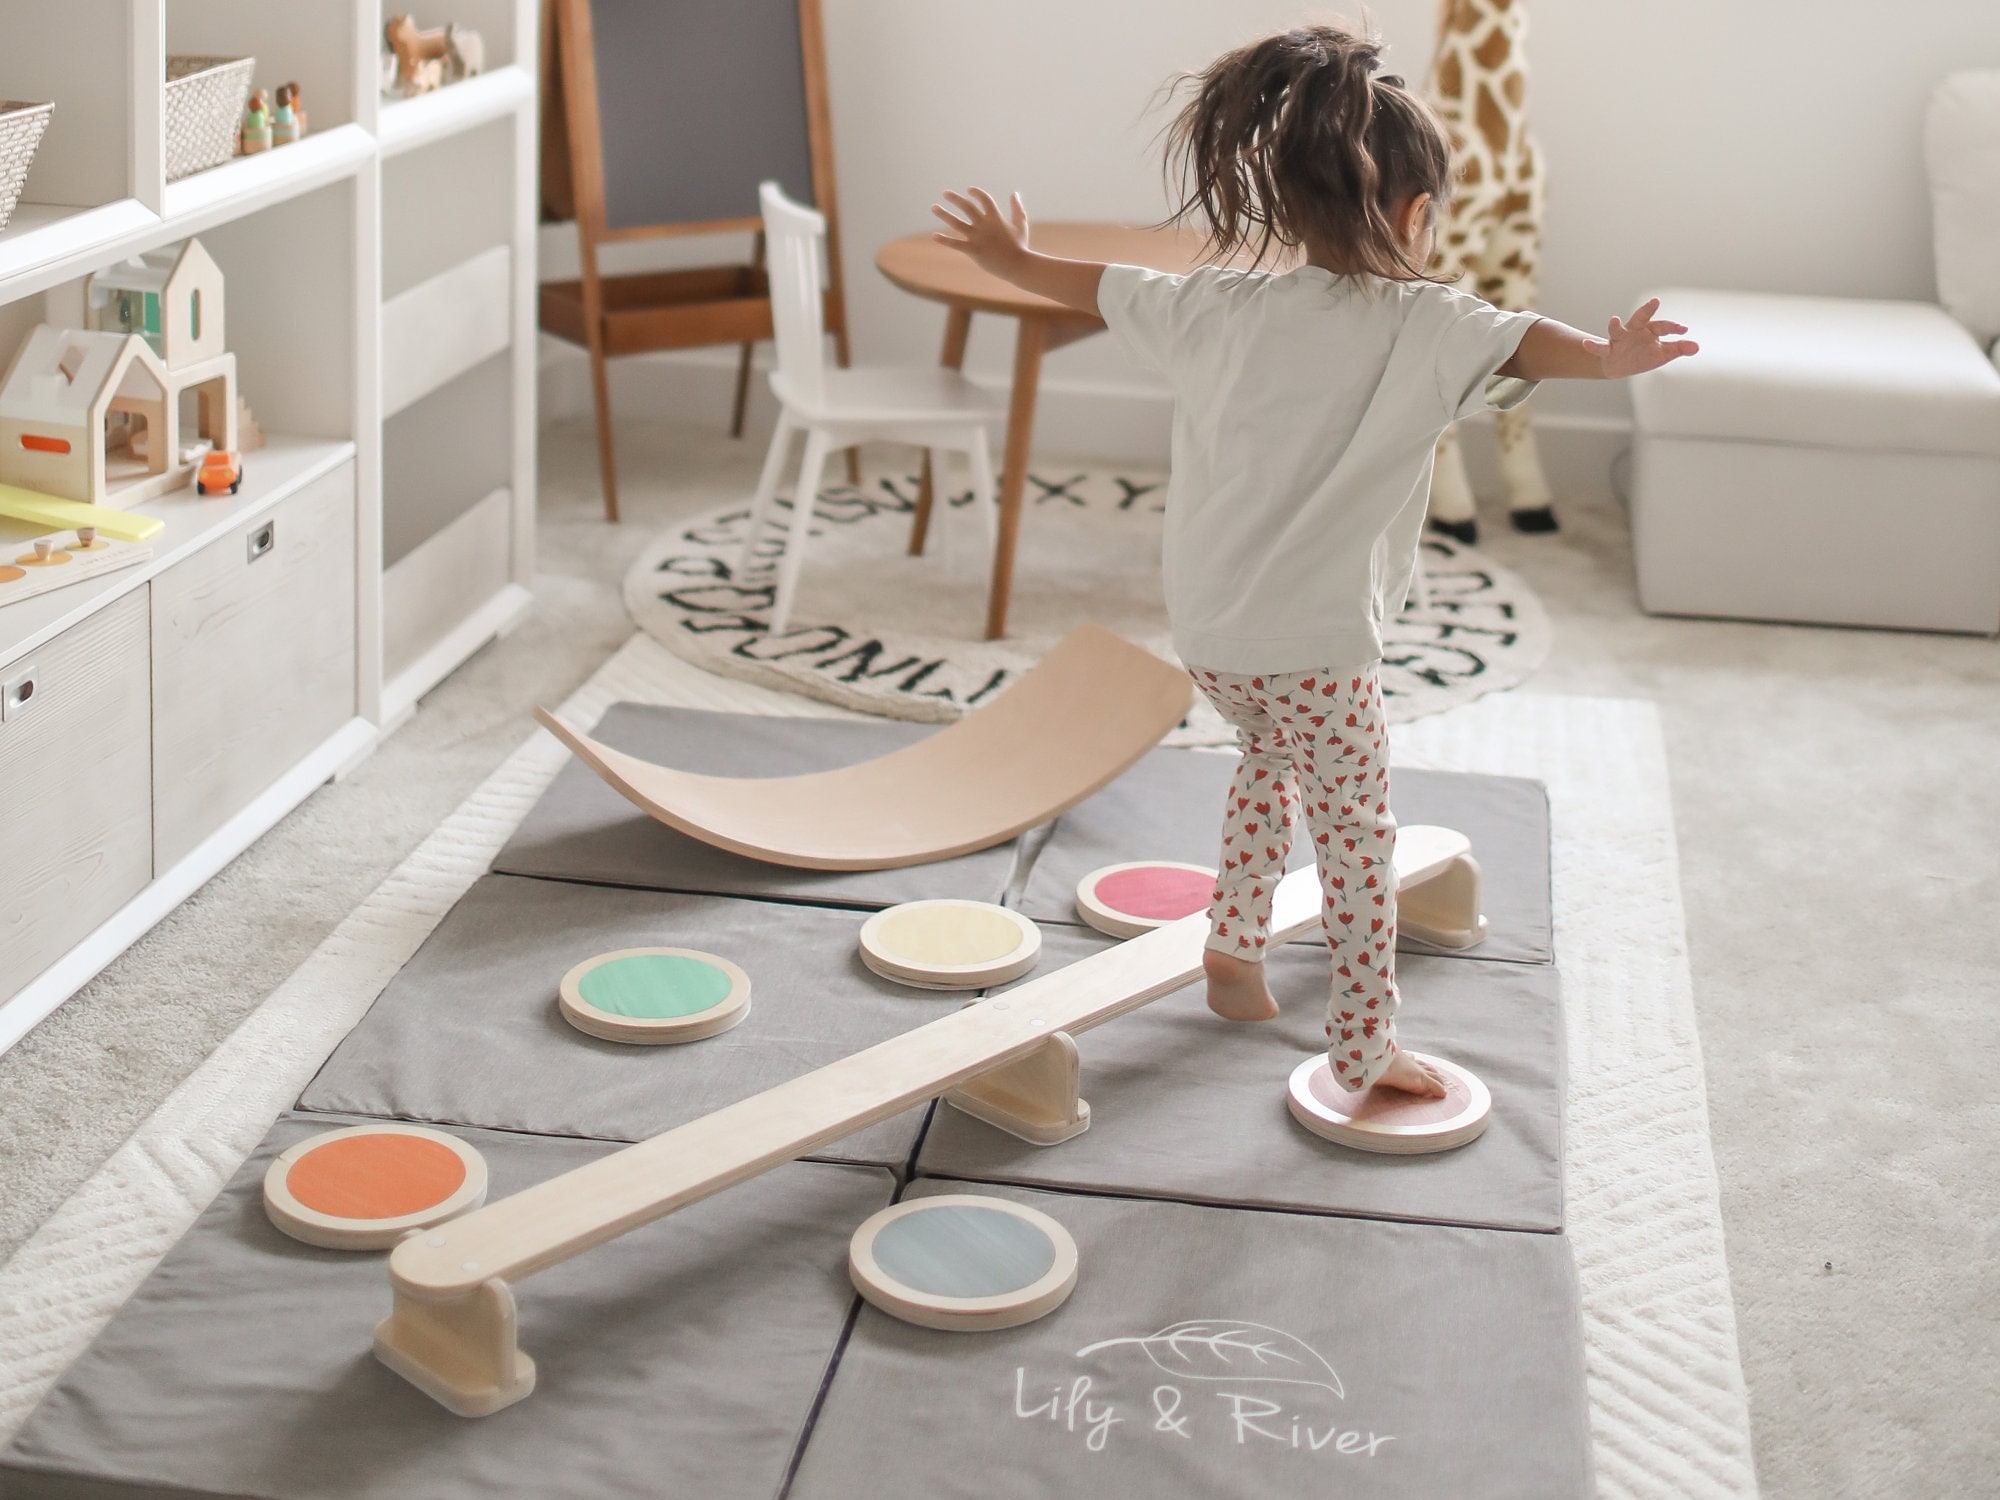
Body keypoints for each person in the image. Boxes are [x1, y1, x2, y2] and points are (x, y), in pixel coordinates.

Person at [931, 23, 1695, 1097]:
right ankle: (1364, 1044)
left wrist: (1010, 259)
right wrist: (1610, 359)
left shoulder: (1209, 304)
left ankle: (1233, 954)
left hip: (1210, 635)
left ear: (1285, 205)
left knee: (1265, 765)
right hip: (1320, 649)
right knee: (1357, 838)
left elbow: (1095, 287)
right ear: (1417, 215)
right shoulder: (1428, 324)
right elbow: (1526, 342)